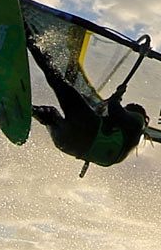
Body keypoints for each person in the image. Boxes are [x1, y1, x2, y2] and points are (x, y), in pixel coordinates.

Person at [26, 31, 148, 171]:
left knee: (56, 79)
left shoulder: (137, 122)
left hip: (88, 130)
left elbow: (114, 108)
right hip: (68, 145)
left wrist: (117, 97)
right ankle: (27, 110)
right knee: (50, 115)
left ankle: (30, 39)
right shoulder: (124, 140)